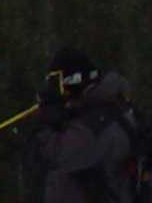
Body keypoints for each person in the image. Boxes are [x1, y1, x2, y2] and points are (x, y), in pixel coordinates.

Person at [31, 46, 135, 203]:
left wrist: (45, 121)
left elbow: (47, 155)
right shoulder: (114, 107)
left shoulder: (95, 125)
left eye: (58, 85)